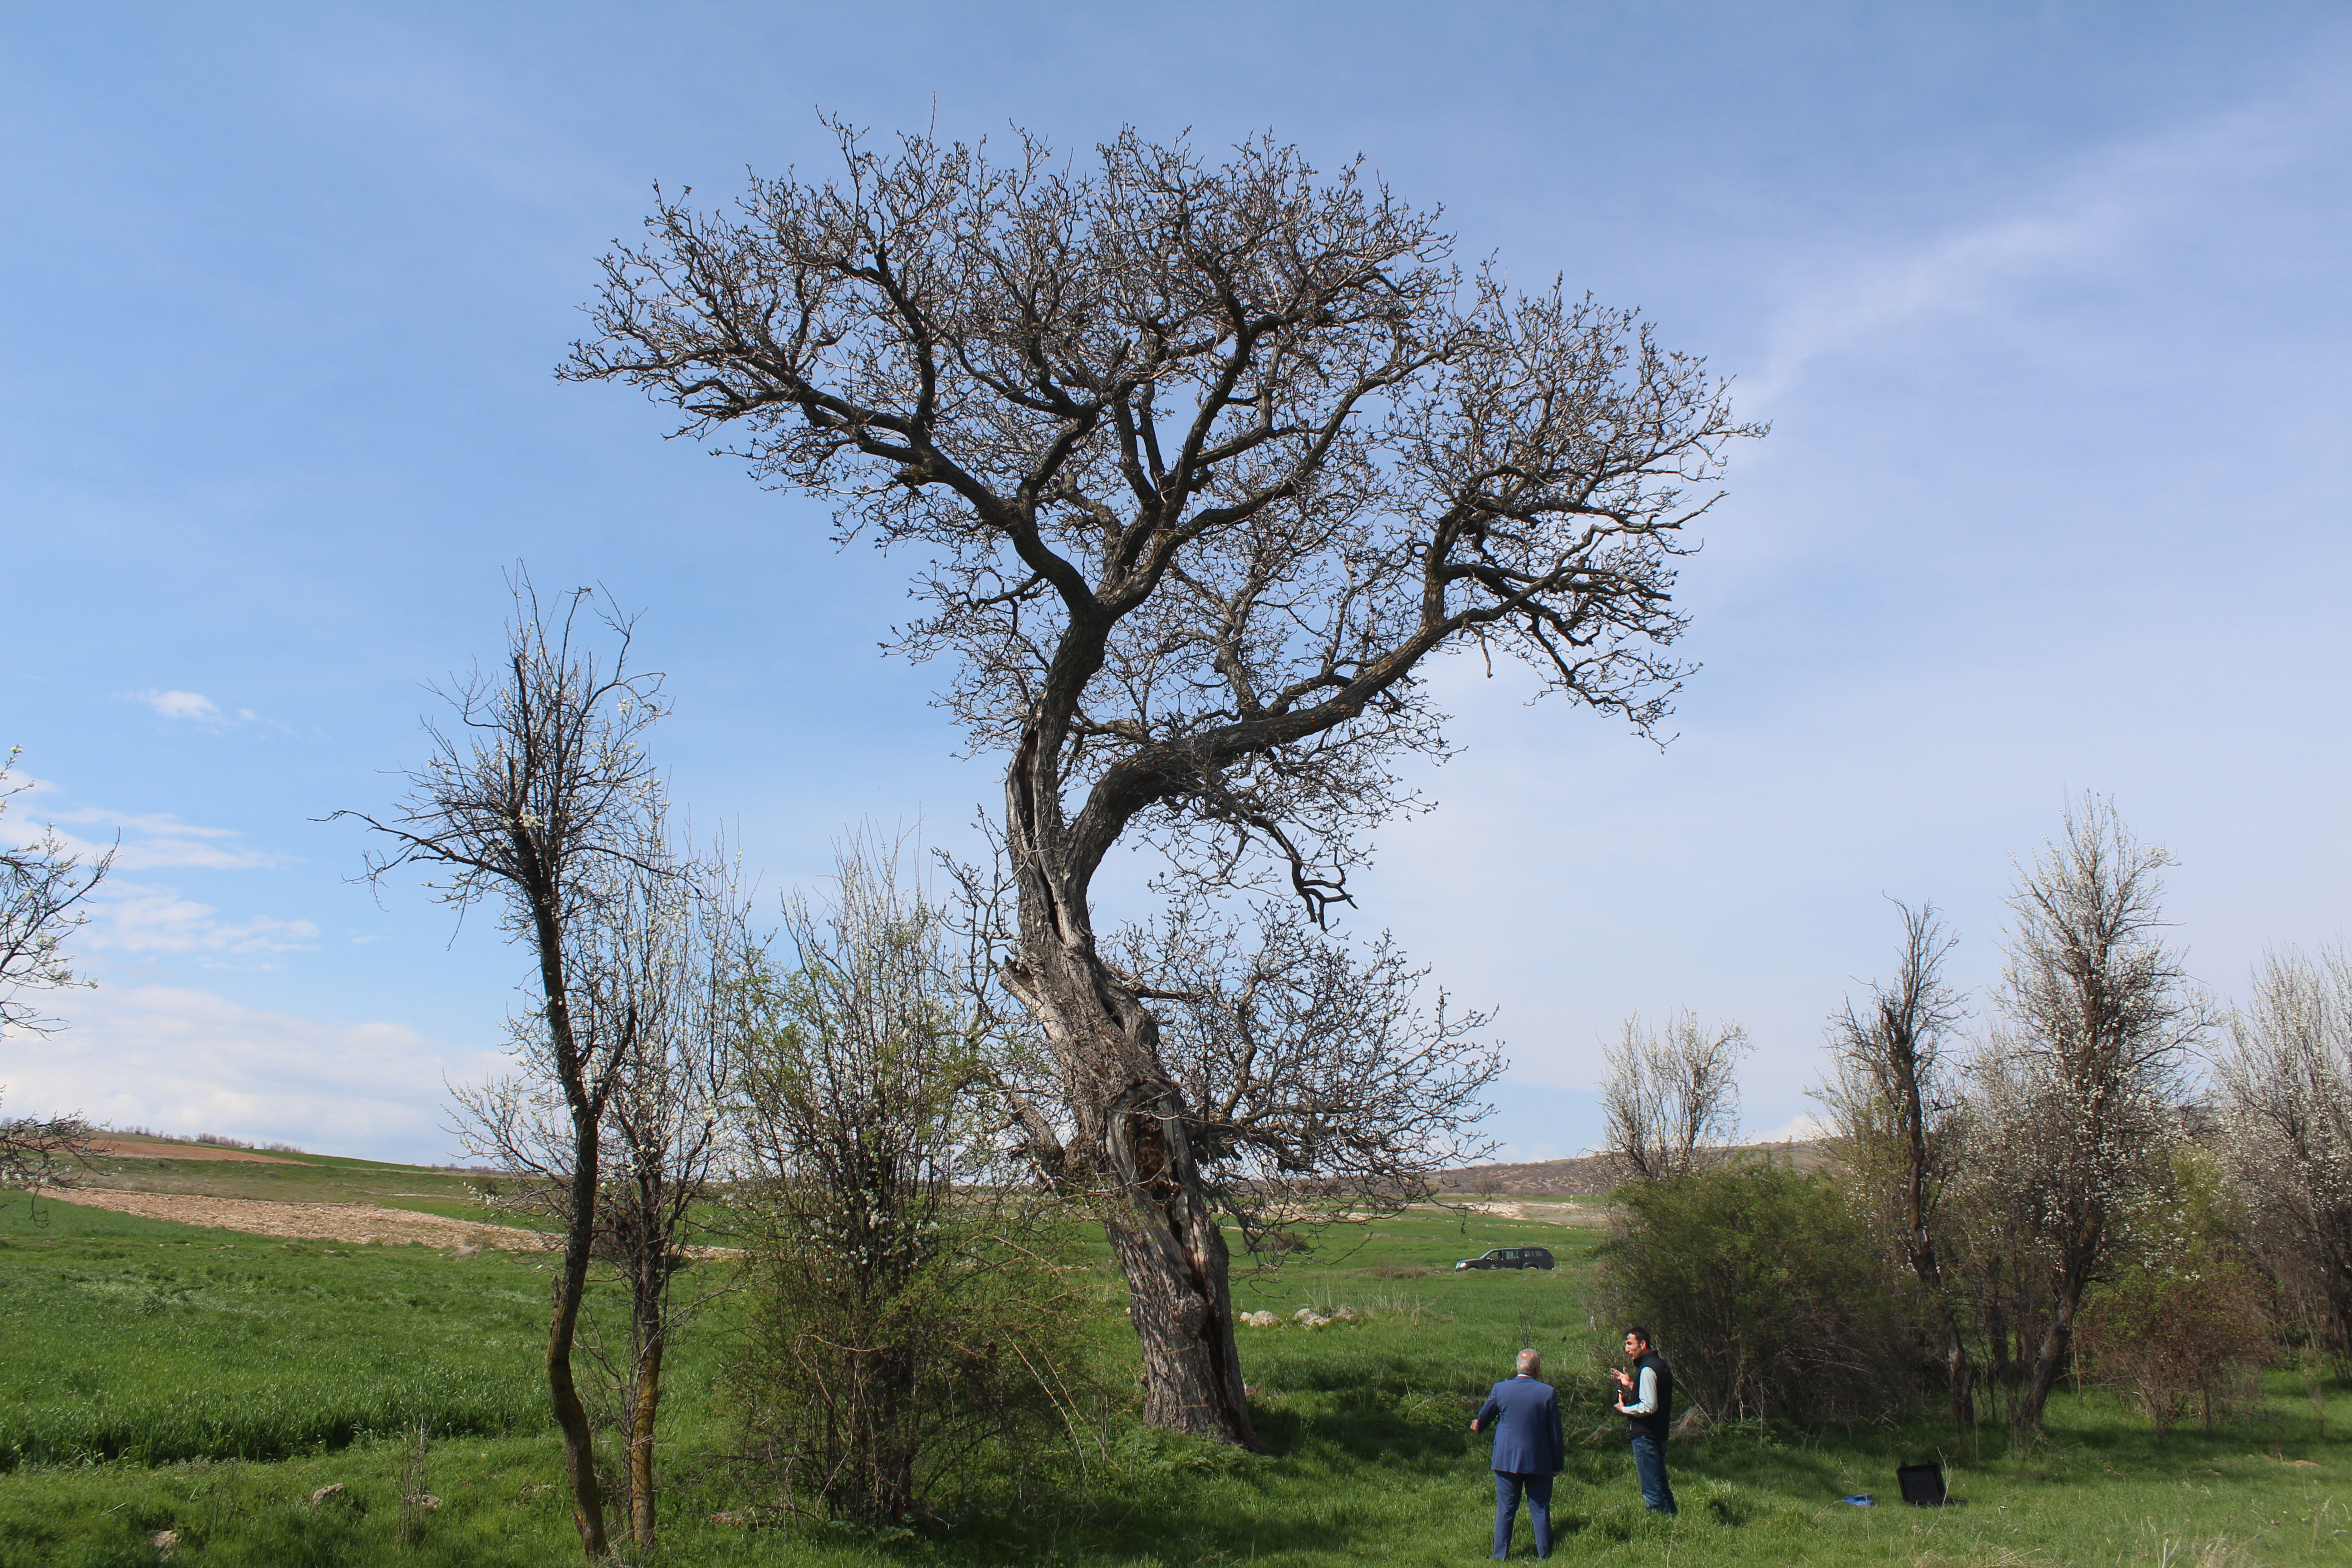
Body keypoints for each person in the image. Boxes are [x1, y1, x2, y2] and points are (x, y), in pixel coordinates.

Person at [1470, 1347, 1565, 1559]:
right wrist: (1558, 1464)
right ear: (1537, 1370)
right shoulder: (1547, 1392)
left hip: (1506, 1460)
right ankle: (1545, 1555)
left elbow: (1485, 1415)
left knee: (1506, 1509)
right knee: (1540, 1508)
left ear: (1517, 1367)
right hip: (1539, 1461)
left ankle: (1500, 1556)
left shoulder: (1500, 1389)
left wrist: (1479, 1426)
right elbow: (1556, 1433)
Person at [1611, 1325, 1677, 1515]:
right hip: (1658, 1434)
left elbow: (1649, 1406)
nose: (1627, 1349)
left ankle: (1658, 1528)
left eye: (1630, 1344)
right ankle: (1672, 1522)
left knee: (1651, 1489)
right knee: (1662, 1486)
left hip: (1646, 1435)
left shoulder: (1648, 1369)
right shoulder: (1660, 1365)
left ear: (1643, 1344)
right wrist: (1631, 1384)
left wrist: (1625, 1409)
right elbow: (1653, 1394)